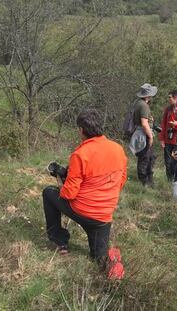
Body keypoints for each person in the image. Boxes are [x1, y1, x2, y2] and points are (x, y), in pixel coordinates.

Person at [42, 109, 127, 269]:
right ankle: (113, 269)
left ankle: (59, 240)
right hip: (103, 218)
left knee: (48, 192)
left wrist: (62, 181)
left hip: (82, 210)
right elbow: (120, 182)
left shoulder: (80, 154)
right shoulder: (118, 149)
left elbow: (69, 193)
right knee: (99, 260)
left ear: (81, 130)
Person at [131, 83, 158, 187]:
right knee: (145, 157)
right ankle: (144, 182)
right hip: (143, 134)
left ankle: (148, 180)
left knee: (148, 156)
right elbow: (144, 123)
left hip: (139, 133)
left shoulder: (138, 103)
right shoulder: (144, 105)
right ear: (148, 96)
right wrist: (150, 136)